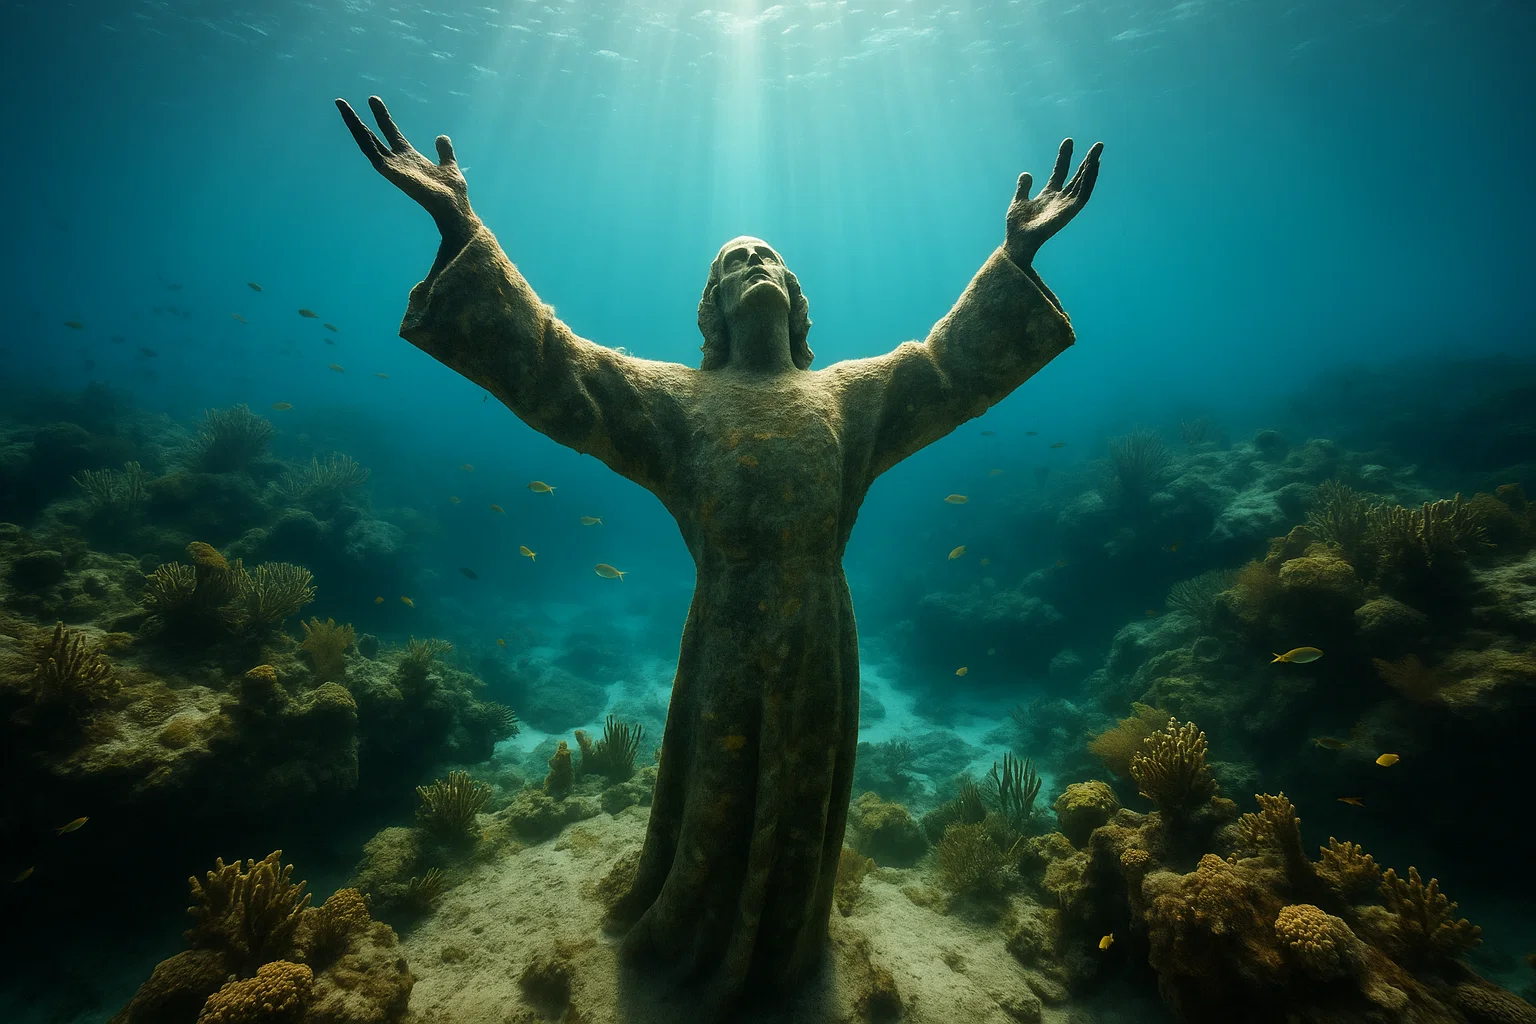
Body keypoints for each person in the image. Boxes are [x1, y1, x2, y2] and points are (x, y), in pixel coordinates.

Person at [337, 94, 1101, 1014]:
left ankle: (785, 952)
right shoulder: (673, 401)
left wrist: (1014, 259)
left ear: (795, 294)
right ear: (714, 305)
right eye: (735, 261)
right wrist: (462, 228)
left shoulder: (851, 395)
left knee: (799, 798)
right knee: (719, 795)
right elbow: (556, 363)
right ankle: (695, 943)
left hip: (819, 634)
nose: (755, 264)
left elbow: (946, 367)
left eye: (768, 256)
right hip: (725, 636)